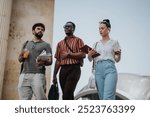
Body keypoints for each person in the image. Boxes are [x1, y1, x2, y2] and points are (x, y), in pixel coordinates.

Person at [88, 19, 121, 100]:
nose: (100, 30)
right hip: (98, 70)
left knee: (107, 98)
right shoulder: (96, 44)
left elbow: (117, 59)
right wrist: (89, 55)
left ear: (108, 29)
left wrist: (119, 55)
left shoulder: (114, 42)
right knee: (102, 98)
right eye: (99, 28)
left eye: (102, 28)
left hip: (110, 69)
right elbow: (90, 59)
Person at [18, 23, 52, 100]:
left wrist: (43, 62)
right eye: (38, 29)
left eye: (42, 30)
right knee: (23, 100)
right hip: (24, 75)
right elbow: (19, 59)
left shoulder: (46, 45)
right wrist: (22, 56)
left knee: (40, 99)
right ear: (33, 31)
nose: (40, 31)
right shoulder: (26, 43)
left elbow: (50, 61)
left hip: (38, 75)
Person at [53, 21, 85, 100]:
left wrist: (69, 54)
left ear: (73, 29)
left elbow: (83, 54)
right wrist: (54, 75)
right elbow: (58, 60)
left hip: (74, 68)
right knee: (66, 94)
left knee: (67, 93)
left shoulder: (79, 40)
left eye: (69, 26)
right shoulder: (60, 43)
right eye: (65, 26)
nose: (67, 28)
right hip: (63, 70)